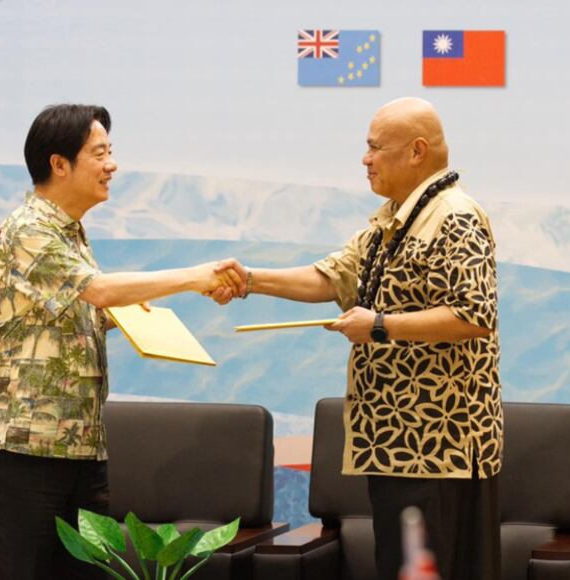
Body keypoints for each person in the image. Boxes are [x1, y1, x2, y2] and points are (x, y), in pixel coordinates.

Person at [214, 97, 502, 580]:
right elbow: (331, 278)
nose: (365, 160)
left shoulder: (455, 216)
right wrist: (250, 280)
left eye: (374, 149)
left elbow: (474, 314)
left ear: (416, 151)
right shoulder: (394, 217)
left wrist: (381, 325)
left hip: (438, 447)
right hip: (396, 444)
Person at [0, 103, 241, 580]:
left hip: (81, 447)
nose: (112, 165)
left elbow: (81, 312)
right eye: (100, 153)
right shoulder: (28, 229)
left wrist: (139, 315)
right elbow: (98, 290)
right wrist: (195, 276)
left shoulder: (71, 233)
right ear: (59, 164)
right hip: (28, 448)